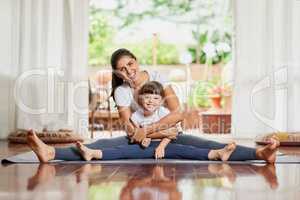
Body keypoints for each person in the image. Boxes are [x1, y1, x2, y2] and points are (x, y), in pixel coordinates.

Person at [26, 48, 280, 163]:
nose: (129, 71)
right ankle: (52, 153)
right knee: (102, 144)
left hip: (159, 136)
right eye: (122, 70)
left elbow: (177, 113)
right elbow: (128, 127)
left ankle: (259, 154)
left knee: (207, 144)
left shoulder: (159, 77)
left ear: (137, 61)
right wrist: (147, 132)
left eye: (131, 64)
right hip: (143, 139)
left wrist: (149, 131)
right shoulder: (122, 92)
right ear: (117, 72)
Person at [74, 81, 237, 161]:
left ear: (161, 101)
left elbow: (172, 134)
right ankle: (93, 153)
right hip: (146, 146)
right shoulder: (137, 114)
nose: (150, 101)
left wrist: (160, 145)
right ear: (140, 99)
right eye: (147, 97)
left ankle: (218, 153)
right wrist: (144, 138)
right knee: (123, 149)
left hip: (166, 144)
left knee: (185, 148)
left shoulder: (164, 112)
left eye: (155, 98)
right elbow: (136, 133)